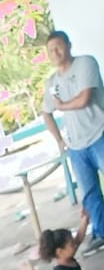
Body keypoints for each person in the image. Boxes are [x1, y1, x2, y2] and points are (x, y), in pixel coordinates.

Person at [42, 30, 104, 255]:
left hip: (100, 134)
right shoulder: (52, 82)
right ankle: (101, 233)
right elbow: (46, 112)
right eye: (51, 50)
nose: (55, 53)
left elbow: (84, 98)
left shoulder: (85, 63)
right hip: (76, 146)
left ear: (69, 45)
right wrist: (59, 139)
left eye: (58, 47)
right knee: (90, 194)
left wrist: (61, 106)